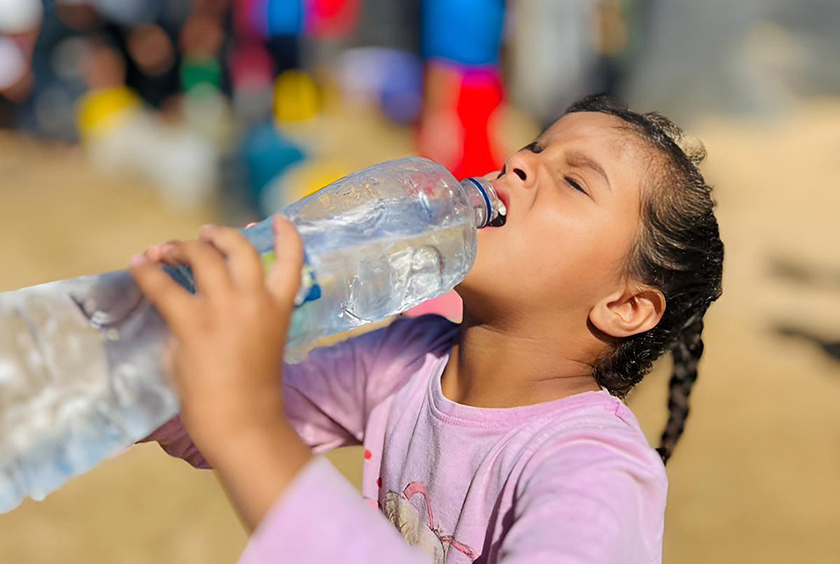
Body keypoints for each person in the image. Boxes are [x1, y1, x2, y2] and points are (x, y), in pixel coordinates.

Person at [130, 94, 724, 563]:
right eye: (532, 149)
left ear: (625, 307)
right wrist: (151, 348)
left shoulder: (593, 469)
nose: (517, 163)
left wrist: (245, 427)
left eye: (574, 181)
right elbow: (199, 417)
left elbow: (238, 423)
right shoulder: (407, 361)